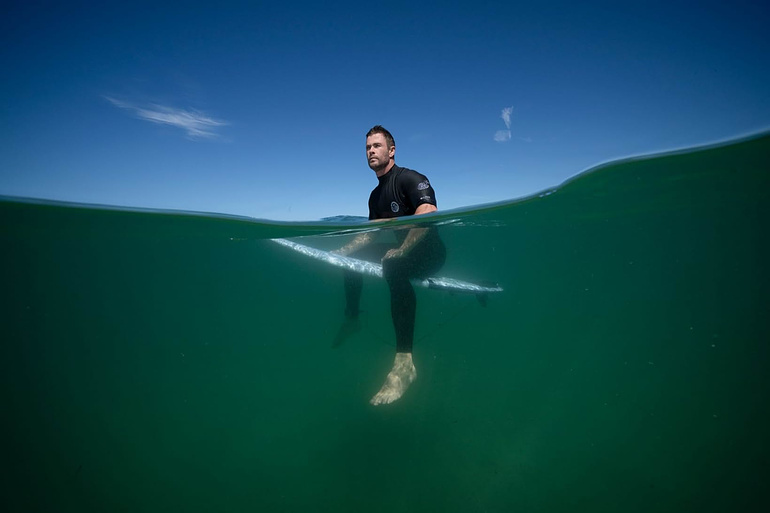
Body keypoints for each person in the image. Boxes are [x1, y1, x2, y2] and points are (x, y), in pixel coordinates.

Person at [334, 125, 445, 405]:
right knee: (353, 259)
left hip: (430, 255)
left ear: (391, 150)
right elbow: (371, 233)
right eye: (367, 148)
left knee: (393, 267)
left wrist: (404, 248)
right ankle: (352, 319)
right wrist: (342, 251)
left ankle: (405, 361)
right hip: (403, 251)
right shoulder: (375, 196)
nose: (371, 151)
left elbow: (428, 213)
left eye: (377, 146)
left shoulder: (411, 179)